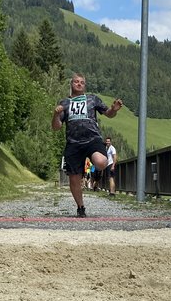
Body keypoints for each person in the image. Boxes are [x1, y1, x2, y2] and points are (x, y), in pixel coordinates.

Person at [52, 73, 123, 217]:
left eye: (82, 82)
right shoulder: (64, 103)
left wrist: (114, 110)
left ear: (85, 86)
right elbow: (56, 127)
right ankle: (80, 207)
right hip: (73, 143)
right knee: (74, 178)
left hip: (92, 139)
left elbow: (108, 113)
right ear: (71, 84)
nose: (79, 84)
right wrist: (55, 115)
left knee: (101, 162)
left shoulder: (92, 99)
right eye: (76, 82)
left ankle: (96, 167)